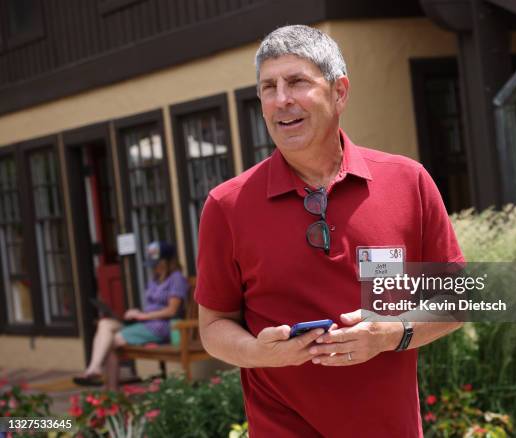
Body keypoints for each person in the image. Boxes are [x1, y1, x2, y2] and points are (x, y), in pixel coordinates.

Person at [196, 25, 464, 437]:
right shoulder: (226, 205)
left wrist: (390, 334)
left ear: (339, 92)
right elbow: (214, 325)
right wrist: (260, 353)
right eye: (269, 87)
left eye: (297, 82)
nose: (281, 99)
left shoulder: (408, 181)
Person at [74, 241, 188, 389]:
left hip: (162, 326)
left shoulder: (176, 278)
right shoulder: (155, 279)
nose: (154, 267)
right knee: (104, 324)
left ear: (167, 261)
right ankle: (95, 368)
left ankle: (109, 389)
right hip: (145, 323)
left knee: (111, 341)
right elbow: (151, 306)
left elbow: (172, 310)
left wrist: (144, 316)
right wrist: (136, 313)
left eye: (157, 263)